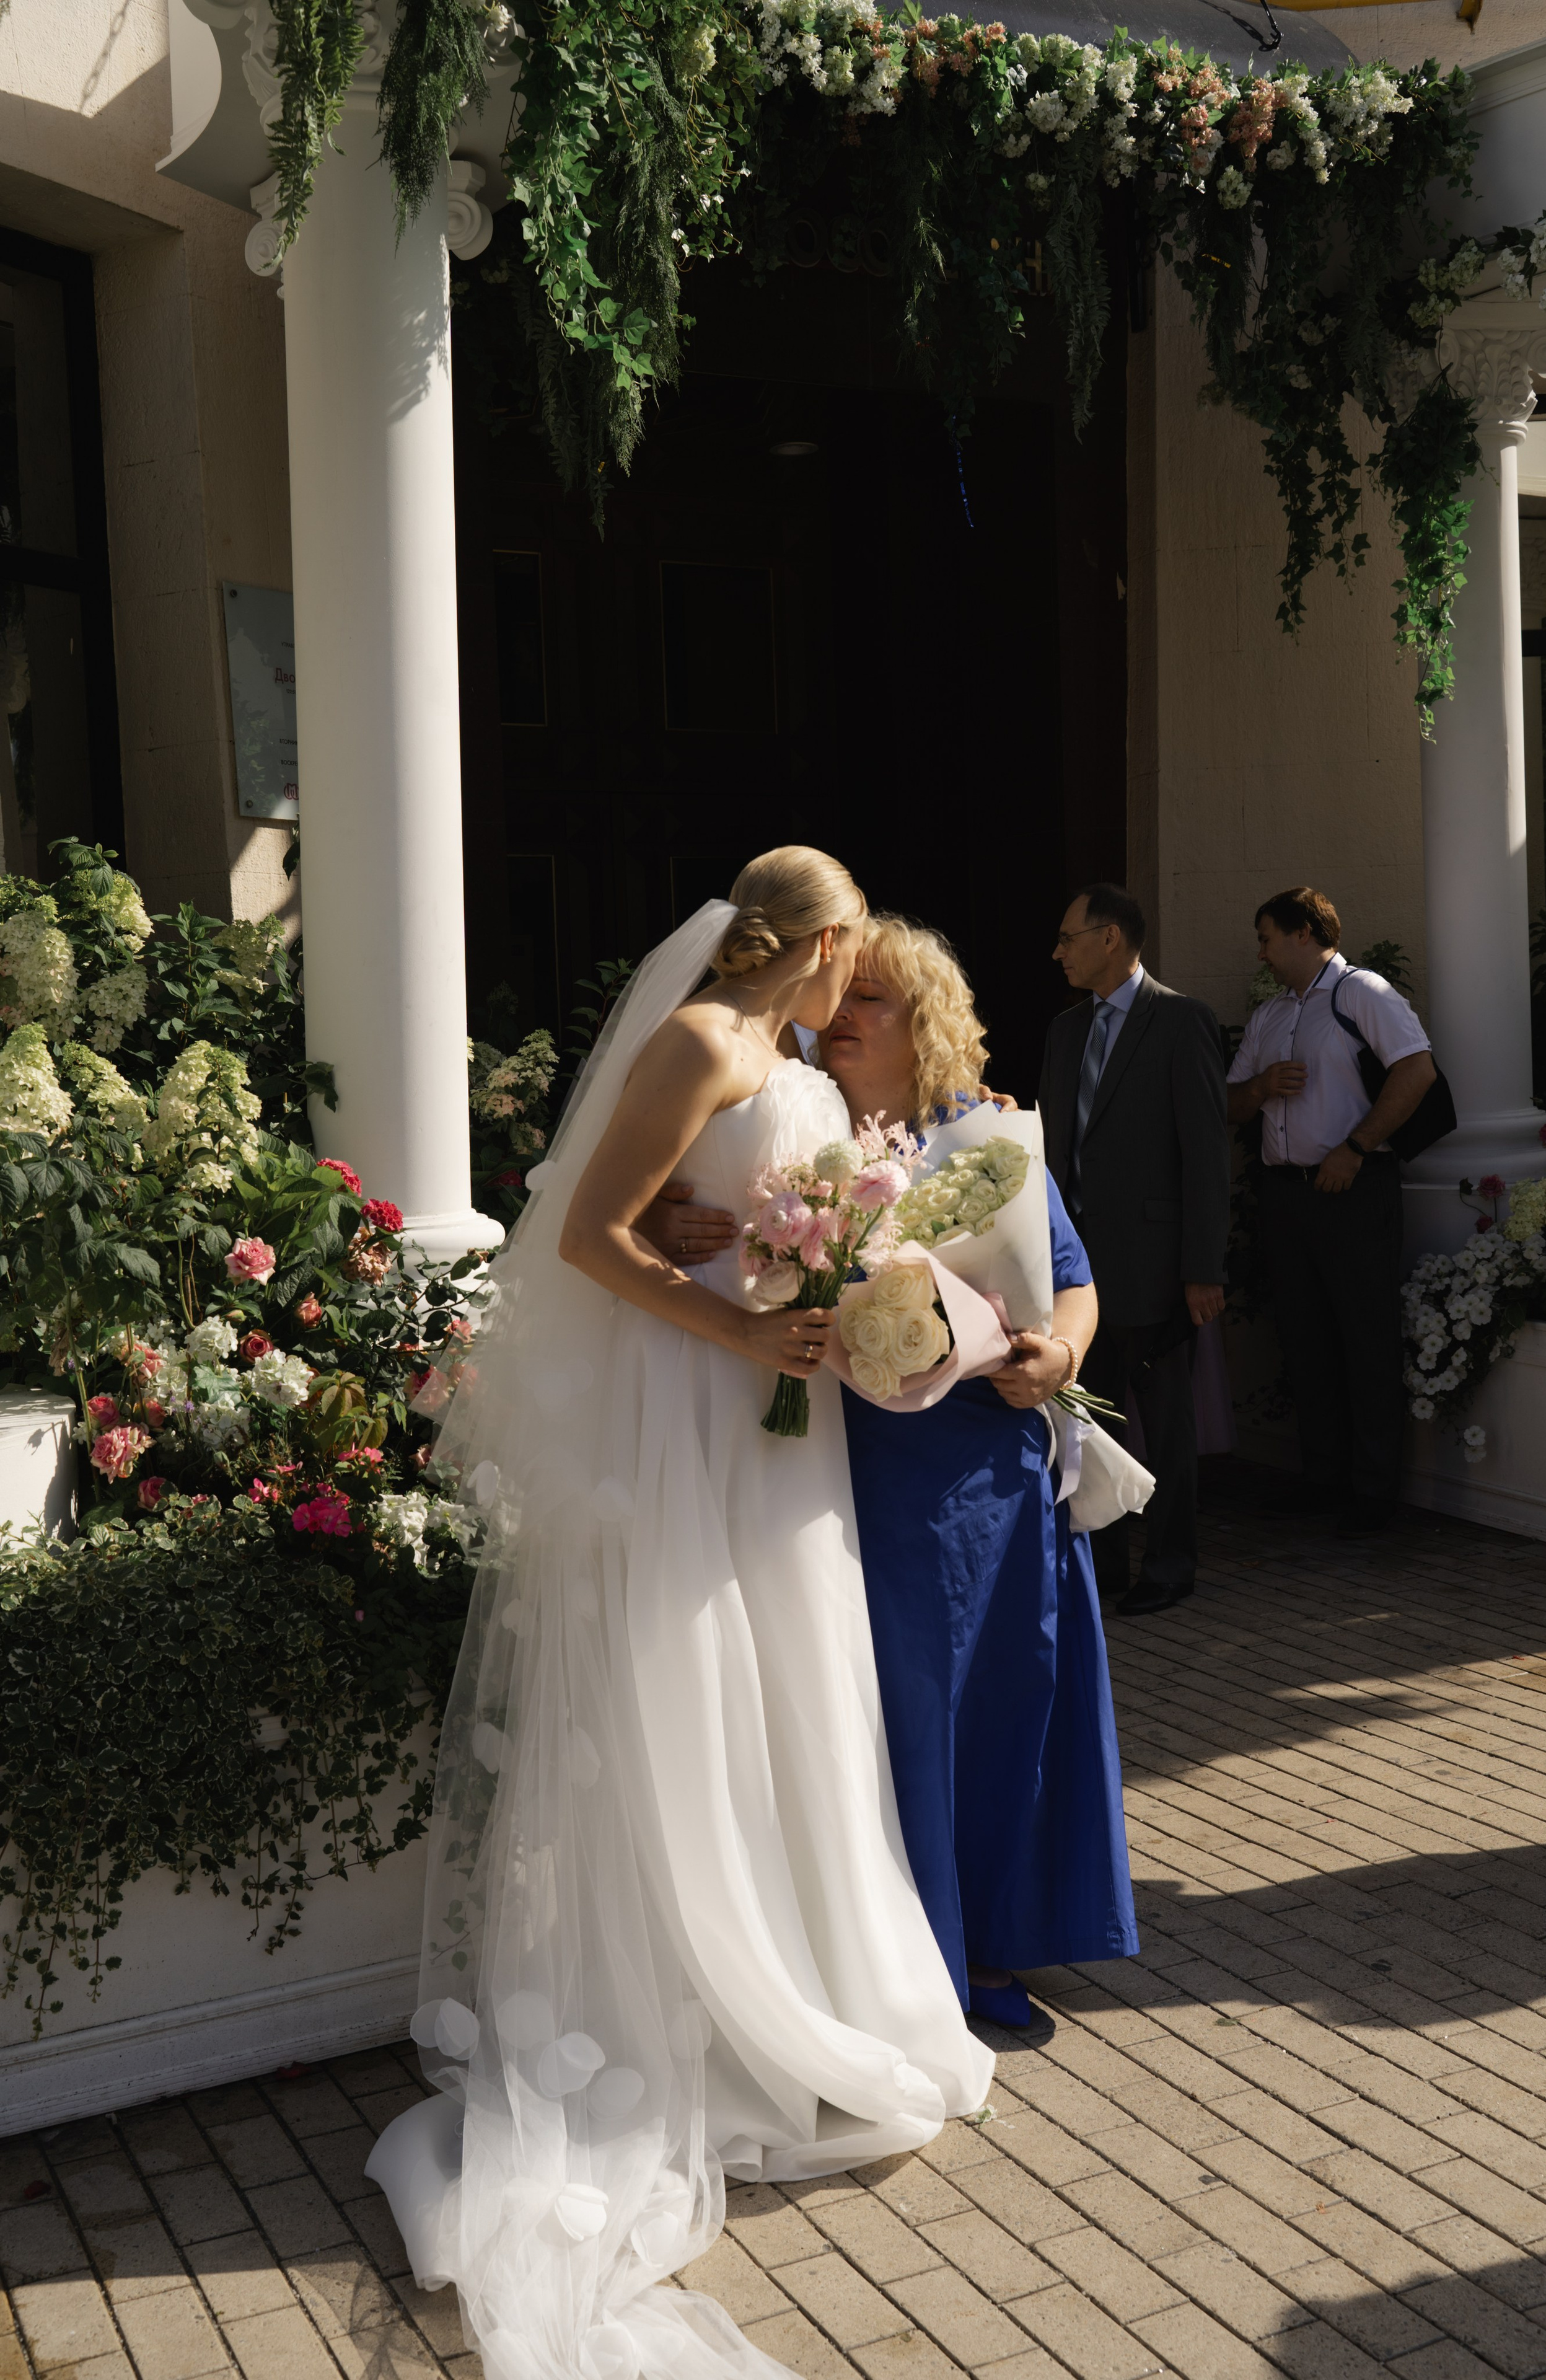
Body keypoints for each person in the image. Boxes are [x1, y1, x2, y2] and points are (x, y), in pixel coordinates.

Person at [366, 849, 995, 2380]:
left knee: (789, 1676)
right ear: (828, 939)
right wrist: (739, 1316)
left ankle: (806, 1979)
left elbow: (698, 1218)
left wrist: (840, 1282)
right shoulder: (701, 1040)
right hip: (697, 1402)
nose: (858, 977)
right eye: (856, 948)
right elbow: (589, 1234)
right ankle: (700, 2011)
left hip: (772, 1409)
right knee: (695, 1668)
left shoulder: (773, 1057)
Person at [646, 919, 1138, 2036]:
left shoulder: (988, 1137)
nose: (844, 1013)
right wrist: (680, 1221)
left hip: (992, 1465)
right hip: (844, 1462)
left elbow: (1074, 1282)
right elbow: (688, 1219)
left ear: (927, 1024)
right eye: (844, 992)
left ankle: (998, 1939)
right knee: (890, 1713)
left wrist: (1058, 1355)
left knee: (1006, 1701)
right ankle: (907, 1955)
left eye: (874, 998)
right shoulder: (789, 1129)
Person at [1035, 883, 1229, 1618]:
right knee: (1089, 1419)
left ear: (1109, 938)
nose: (1057, 952)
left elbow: (1206, 1156)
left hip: (1155, 1264)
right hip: (1076, 1267)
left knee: (1168, 1425)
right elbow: (1053, 1151)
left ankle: (1171, 1562)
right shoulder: (1062, 1031)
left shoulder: (1180, 1022)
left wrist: (1201, 1269)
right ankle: (1106, 1560)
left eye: (1067, 937)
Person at [1228, 886, 1435, 1536]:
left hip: (1351, 1188)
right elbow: (1229, 1104)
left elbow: (1417, 1070)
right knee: (1304, 1337)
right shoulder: (1269, 1017)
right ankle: (1322, 1479)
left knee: (1364, 1337)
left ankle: (1373, 1493)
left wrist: (1356, 1147)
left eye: (1266, 938)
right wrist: (1261, 1088)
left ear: (1302, 934)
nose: (1260, 953)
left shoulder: (1360, 993)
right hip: (1285, 1194)